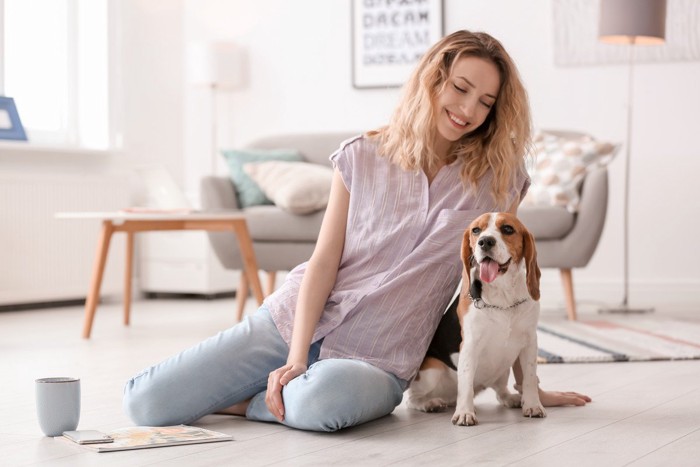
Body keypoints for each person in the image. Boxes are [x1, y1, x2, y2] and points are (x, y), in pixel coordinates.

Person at [123, 30, 590, 433]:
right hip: (289, 323)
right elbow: (324, 261)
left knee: (327, 402)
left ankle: (246, 403)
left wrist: (530, 387)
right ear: (434, 79)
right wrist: (297, 358)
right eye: (461, 88)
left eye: (486, 102)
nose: (468, 109)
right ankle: (278, 386)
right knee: (147, 404)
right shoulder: (361, 155)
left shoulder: (500, 179)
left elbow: (498, 287)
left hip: (379, 359)